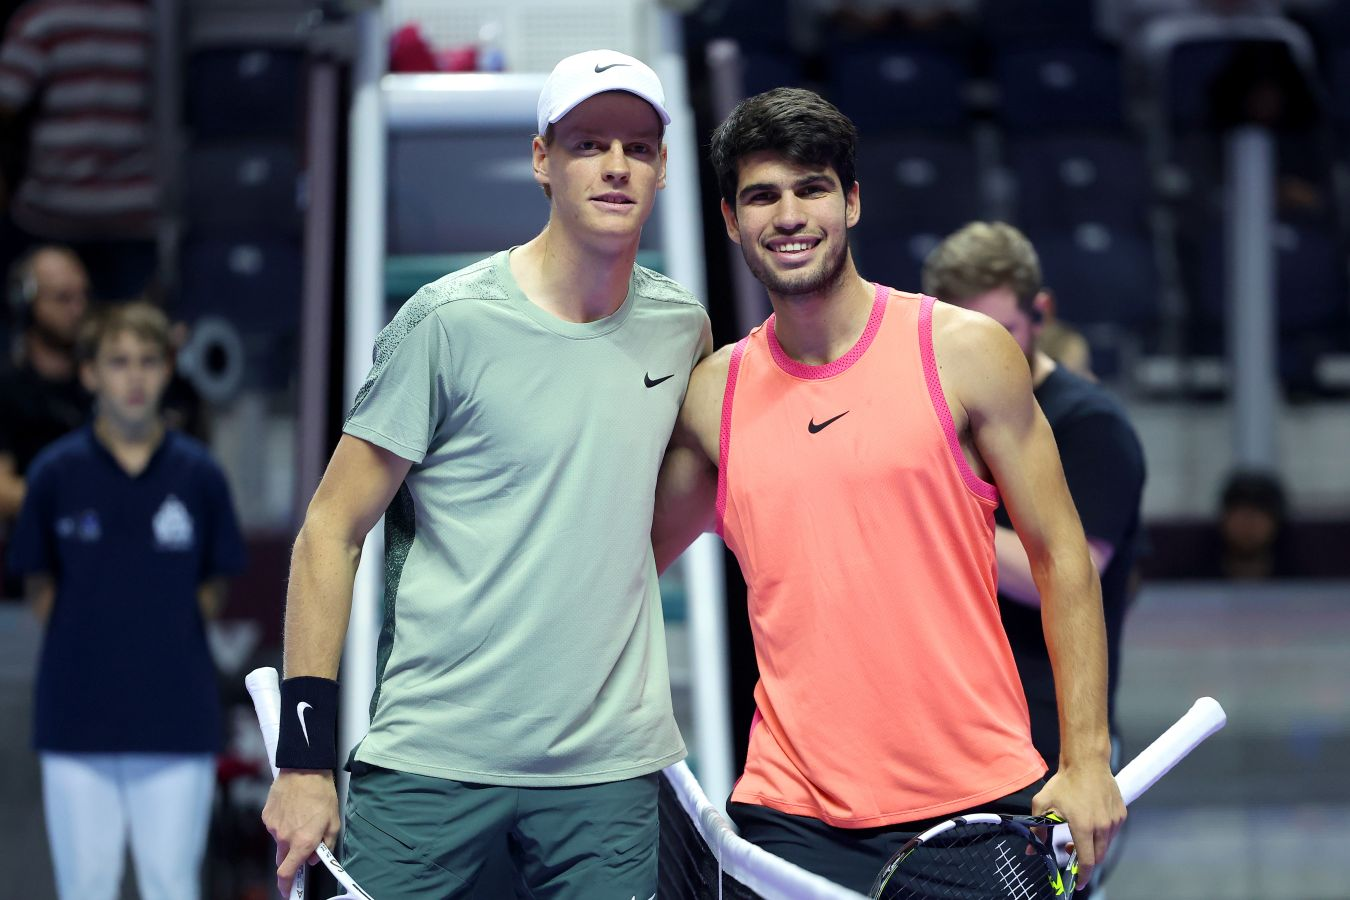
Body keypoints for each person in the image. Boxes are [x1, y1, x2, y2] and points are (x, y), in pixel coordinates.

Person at [260, 50, 710, 900]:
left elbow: (655, 512)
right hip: (432, 757)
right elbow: (331, 530)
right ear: (542, 160)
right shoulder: (446, 321)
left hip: (607, 772)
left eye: (638, 147)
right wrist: (304, 759)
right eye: (588, 144)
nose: (616, 165)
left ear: (662, 168)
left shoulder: (681, 328)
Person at [652, 87, 1124, 894]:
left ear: (852, 202)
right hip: (791, 815)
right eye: (762, 196)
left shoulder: (965, 352)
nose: (789, 216)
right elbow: (620, 571)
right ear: (731, 220)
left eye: (812, 189)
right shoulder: (711, 396)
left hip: (979, 798)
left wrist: (1087, 759)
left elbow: (1062, 558)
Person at [6, 300, 245, 900]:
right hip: (75, 722)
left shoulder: (200, 476)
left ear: (167, 370)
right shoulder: (54, 475)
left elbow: (214, 586)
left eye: (147, 360)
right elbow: (38, 585)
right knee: (85, 889)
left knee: (173, 887)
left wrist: (157, 636)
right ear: (89, 374)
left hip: (176, 722)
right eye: (118, 362)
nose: (134, 377)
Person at [921, 221, 1146, 784]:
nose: (981, 353)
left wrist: (926, 519)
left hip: (1049, 734)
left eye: (1001, 331)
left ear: (1041, 312)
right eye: (962, 333)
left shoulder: (1091, 425)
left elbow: (1066, 572)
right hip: (942, 724)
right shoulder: (930, 417)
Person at [0, 0, 158, 301]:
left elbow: (6, 97)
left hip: (58, 208)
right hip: (123, 210)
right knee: (125, 324)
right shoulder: (146, 17)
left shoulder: (43, 15)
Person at [0, 244, 92, 530]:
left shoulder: (103, 381)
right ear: (26, 303)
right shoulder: (7, 387)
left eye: (83, 295)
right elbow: (2, 490)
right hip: (37, 537)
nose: (78, 309)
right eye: (63, 298)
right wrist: (80, 504)